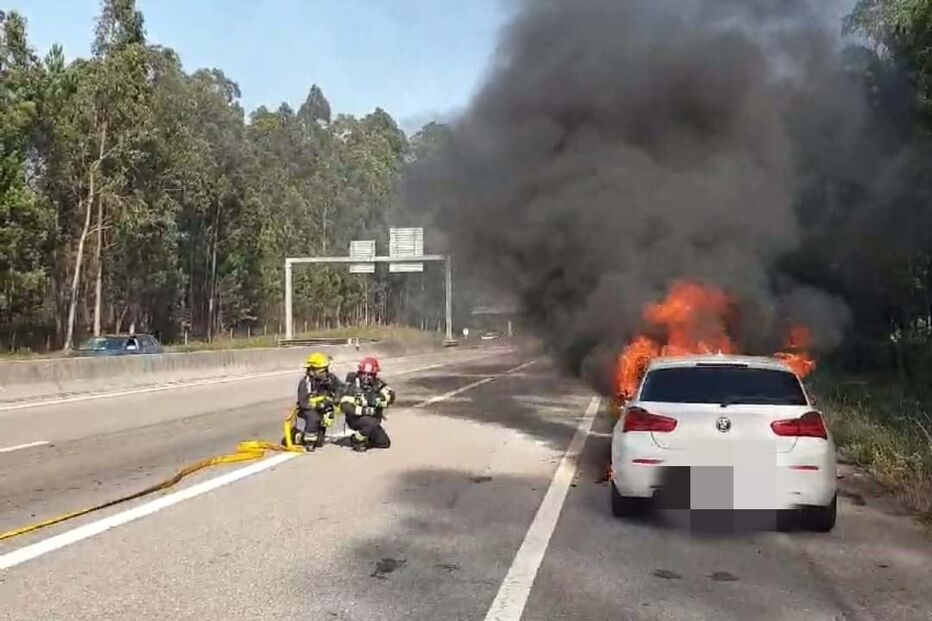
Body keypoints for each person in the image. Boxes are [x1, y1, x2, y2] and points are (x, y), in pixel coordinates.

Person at [340, 356, 395, 452]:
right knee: (371, 423)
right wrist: (364, 410)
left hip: (372, 420)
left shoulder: (377, 384)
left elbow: (390, 395)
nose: (366, 377)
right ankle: (356, 440)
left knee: (384, 443)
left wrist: (381, 401)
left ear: (374, 375)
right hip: (355, 419)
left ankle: (366, 437)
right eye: (363, 374)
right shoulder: (353, 386)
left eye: (369, 375)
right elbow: (345, 406)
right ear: (360, 373)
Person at [295, 352, 343, 451]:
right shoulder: (305, 383)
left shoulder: (330, 378)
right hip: (309, 410)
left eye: (326, 370)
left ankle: (316, 436)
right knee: (314, 418)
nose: (324, 373)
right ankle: (308, 441)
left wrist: (337, 397)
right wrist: (319, 405)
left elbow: (341, 387)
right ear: (312, 371)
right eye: (321, 371)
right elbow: (303, 403)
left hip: (324, 407)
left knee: (320, 442)